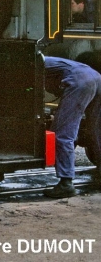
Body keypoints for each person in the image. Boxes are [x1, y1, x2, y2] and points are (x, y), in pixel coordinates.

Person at [43, 56, 101, 198]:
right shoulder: (45, 60)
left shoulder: (28, 63)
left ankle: (66, 184)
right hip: (96, 77)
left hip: (80, 82)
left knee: (62, 133)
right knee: (96, 130)